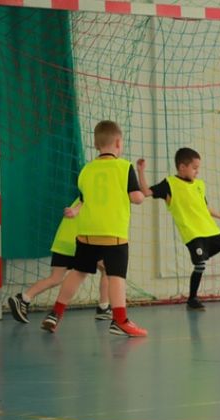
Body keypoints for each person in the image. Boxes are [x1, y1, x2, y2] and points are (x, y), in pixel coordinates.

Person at [40, 120, 147, 337]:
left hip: (87, 233)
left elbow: (83, 200)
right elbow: (136, 198)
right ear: (118, 143)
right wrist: (142, 194)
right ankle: (120, 320)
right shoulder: (124, 167)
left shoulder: (86, 170)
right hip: (113, 234)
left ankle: (55, 313)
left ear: (96, 144)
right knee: (116, 276)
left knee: (78, 272)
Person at [136, 147, 220, 311]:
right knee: (200, 265)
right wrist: (141, 171)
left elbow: (204, 208)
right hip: (193, 234)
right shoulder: (169, 184)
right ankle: (192, 299)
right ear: (182, 167)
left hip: (210, 229)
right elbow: (146, 192)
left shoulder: (199, 185)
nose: (197, 171)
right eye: (194, 168)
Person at [7, 198, 111, 323]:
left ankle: (24, 298)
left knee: (55, 278)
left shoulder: (84, 196)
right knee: (107, 268)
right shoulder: (97, 198)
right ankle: (104, 308)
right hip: (82, 240)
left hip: (63, 241)